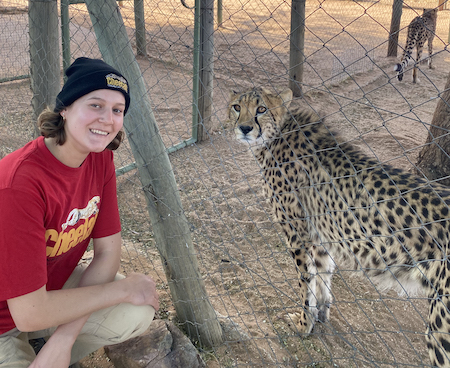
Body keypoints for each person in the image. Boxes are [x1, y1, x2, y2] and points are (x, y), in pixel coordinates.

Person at [0, 57, 159, 368]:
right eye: (96, 105)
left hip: (46, 296)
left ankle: (49, 352)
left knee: (135, 312)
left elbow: (107, 253)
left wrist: (63, 339)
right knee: (126, 295)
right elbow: (29, 311)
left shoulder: (99, 160)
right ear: (65, 108)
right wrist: (123, 288)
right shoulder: (19, 183)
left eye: (117, 110)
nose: (107, 119)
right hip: (9, 317)